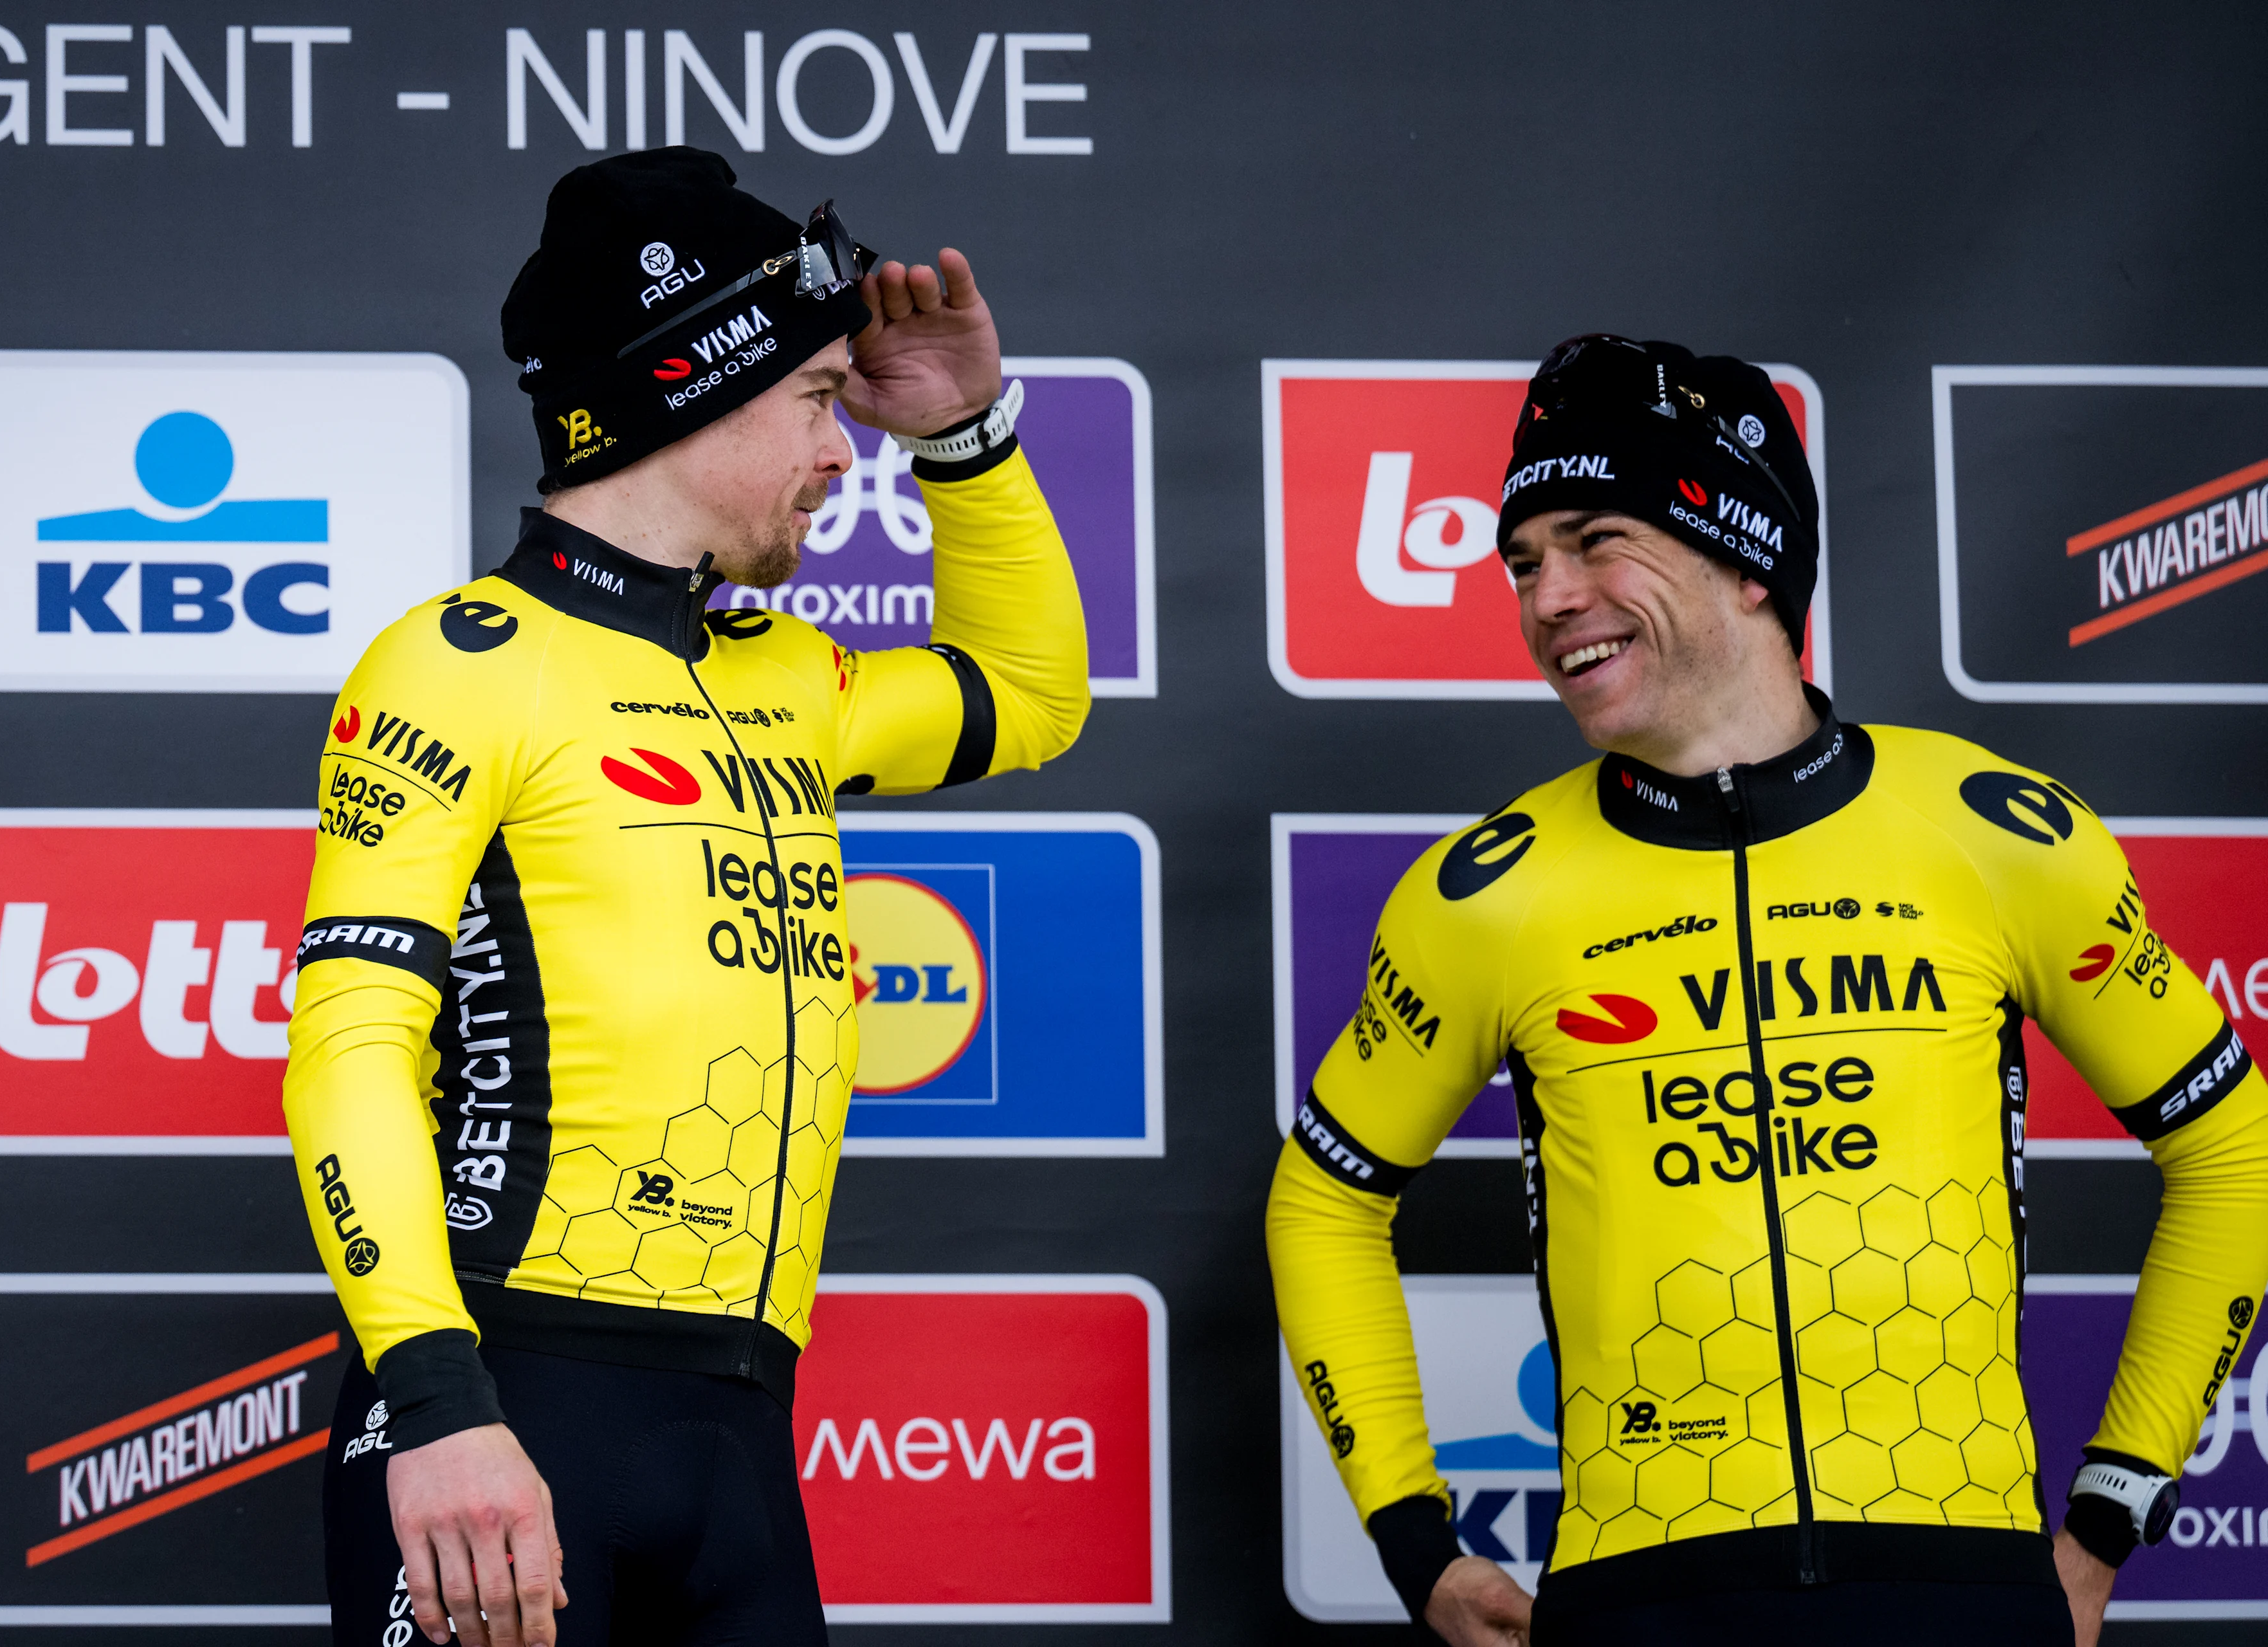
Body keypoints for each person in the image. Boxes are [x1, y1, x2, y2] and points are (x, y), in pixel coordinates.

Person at [1266, 333, 2268, 1646]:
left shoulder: (1992, 831)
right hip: (1640, 1593)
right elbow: (1322, 1197)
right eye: (1523, 562)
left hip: (1961, 1584)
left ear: (1746, 558)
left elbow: (2233, 1149)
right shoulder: (1483, 891)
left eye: (1593, 537)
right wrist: (1415, 1544)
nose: (1547, 595)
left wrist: (2109, 1513)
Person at [284, 147, 1087, 1647]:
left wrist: (968, 437)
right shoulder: (461, 661)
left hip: (736, 1435)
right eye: (816, 403)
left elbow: (1033, 696)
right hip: (506, 1402)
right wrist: (438, 1404)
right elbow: (346, 1049)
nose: (847, 454)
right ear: (689, 391)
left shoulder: (791, 675)